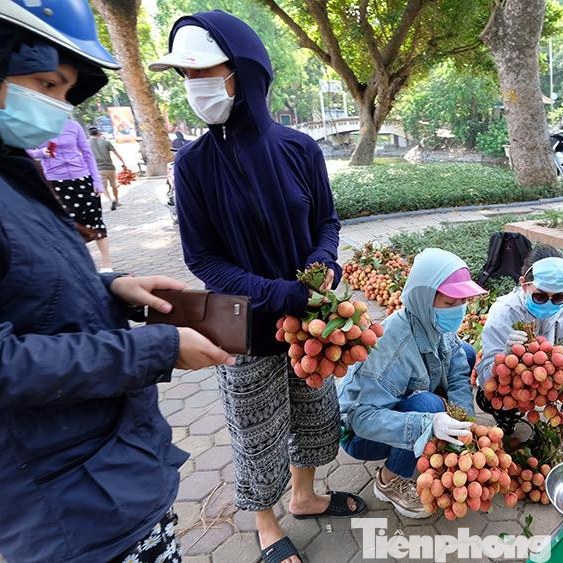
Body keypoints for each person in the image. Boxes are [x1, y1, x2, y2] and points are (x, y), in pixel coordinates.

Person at [0, 1, 234, 561]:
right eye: (46, 84)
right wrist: (159, 347)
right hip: (63, 503)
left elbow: (18, 283)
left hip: (104, 470)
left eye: (64, 91)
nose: (58, 108)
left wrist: (110, 286)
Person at [149, 12, 364, 563]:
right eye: (187, 77)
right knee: (256, 426)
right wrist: (273, 293)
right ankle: (267, 526)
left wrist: (322, 262)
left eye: (207, 73)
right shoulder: (191, 165)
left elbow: (327, 221)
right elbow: (203, 259)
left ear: (244, 73)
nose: (195, 88)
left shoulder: (300, 149)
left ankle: (306, 495)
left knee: (316, 411)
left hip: (313, 317)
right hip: (242, 323)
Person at [337, 248, 485, 519]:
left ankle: (433, 429)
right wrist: (427, 423)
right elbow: (362, 418)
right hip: (359, 434)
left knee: (464, 352)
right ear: (424, 298)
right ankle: (388, 479)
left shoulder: (435, 323)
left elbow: (457, 370)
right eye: (451, 303)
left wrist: (467, 424)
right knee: (429, 406)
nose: (459, 311)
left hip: (398, 402)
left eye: (463, 302)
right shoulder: (392, 346)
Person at [475, 245, 563, 437]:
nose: (549, 303)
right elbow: (487, 377)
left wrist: (560, 361)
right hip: (518, 384)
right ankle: (506, 424)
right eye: (540, 296)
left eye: (559, 297)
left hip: (549, 381)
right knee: (502, 384)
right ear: (523, 284)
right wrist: (506, 355)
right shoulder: (504, 311)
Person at [29, 117, 114, 271]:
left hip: (82, 178)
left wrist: (96, 181)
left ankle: (106, 264)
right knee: (68, 224)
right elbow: (25, 150)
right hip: (56, 181)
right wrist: (41, 152)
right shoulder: (37, 125)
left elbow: (87, 153)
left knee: (95, 220)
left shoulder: (74, 126)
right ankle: (81, 265)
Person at [88, 125, 127, 210]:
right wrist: (123, 163)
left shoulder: (87, 144)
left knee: (104, 187)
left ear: (89, 134)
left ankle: (110, 200)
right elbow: (116, 153)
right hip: (110, 168)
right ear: (98, 133)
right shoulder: (106, 142)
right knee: (114, 186)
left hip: (98, 169)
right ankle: (117, 200)